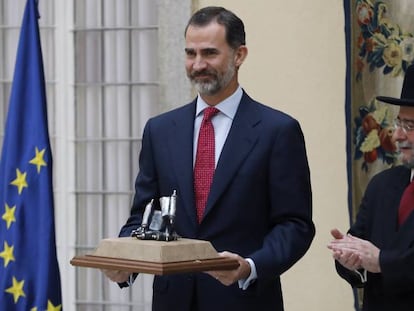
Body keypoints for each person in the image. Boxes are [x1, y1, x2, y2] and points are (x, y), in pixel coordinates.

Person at [104, 6, 314, 311]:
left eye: (210, 53)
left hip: (245, 300)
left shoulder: (277, 131)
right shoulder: (160, 130)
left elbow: (295, 225)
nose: (198, 64)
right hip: (172, 301)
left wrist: (250, 266)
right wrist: (124, 262)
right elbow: (144, 217)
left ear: (239, 55)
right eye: (191, 53)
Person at [328, 64, 414, 311]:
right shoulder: (383, 185)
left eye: (409, 126)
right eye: (399, 123)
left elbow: (380, 258)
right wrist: (351, 260)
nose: (397, 135)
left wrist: (381, 260)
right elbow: (361, 247)